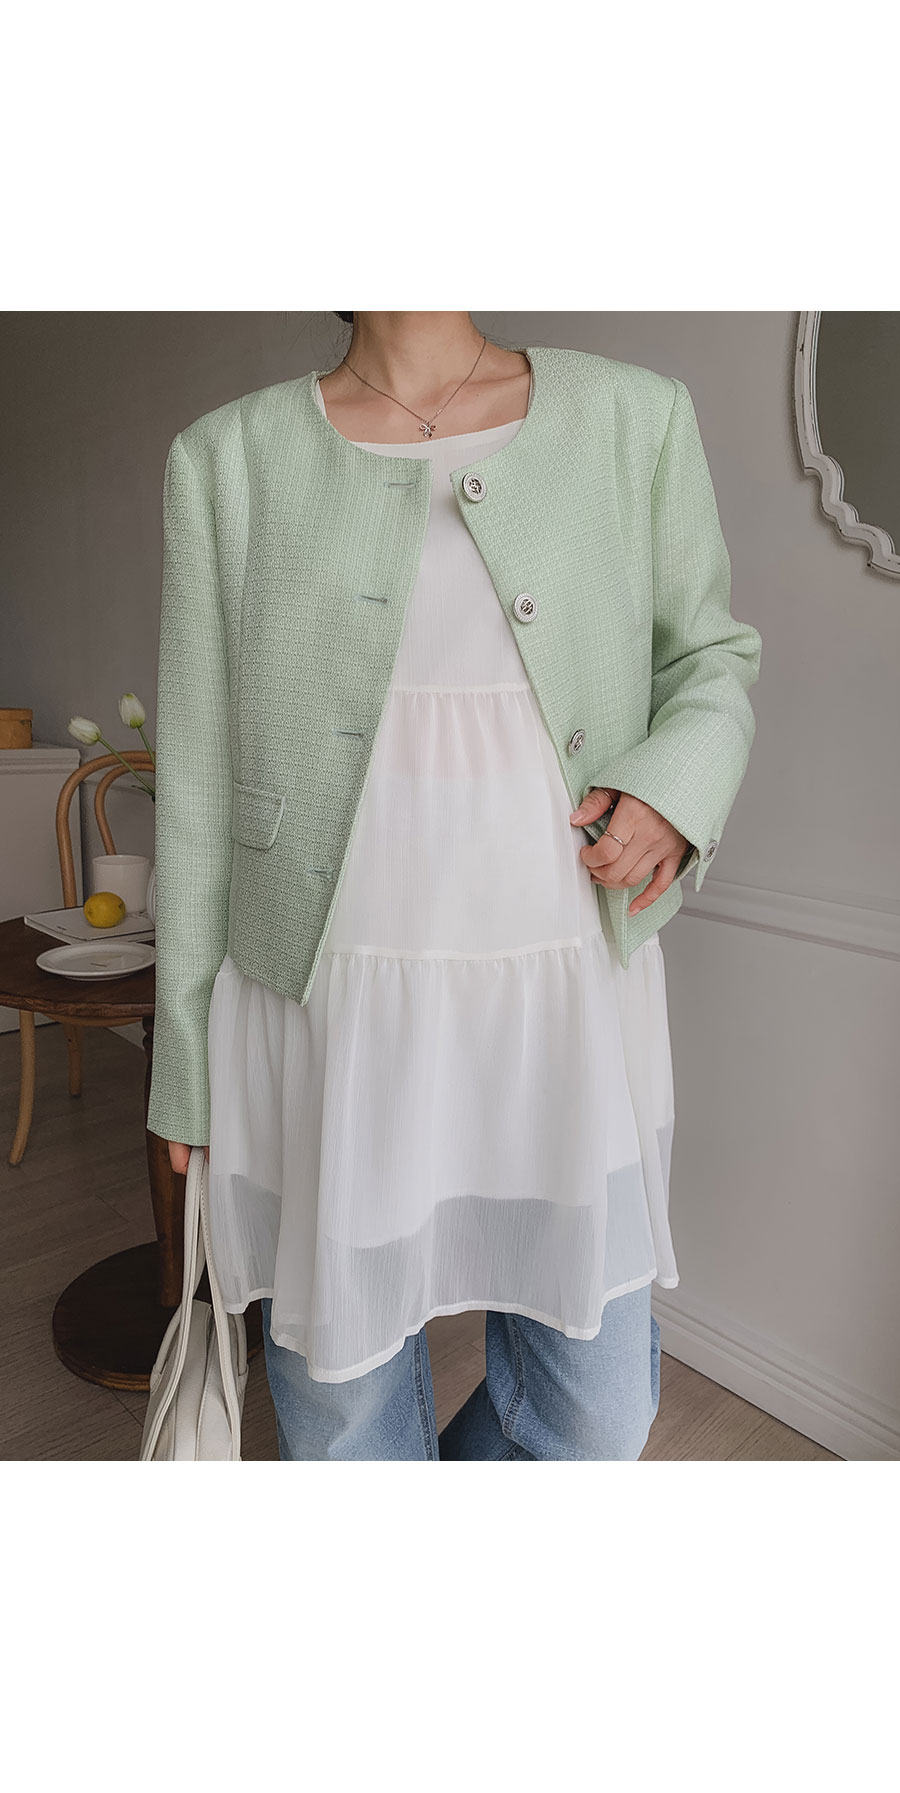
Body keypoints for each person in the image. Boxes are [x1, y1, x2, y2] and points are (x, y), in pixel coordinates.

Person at [147, 312, 762, 1460]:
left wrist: (674, 789)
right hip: (326, 998)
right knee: (345, 1416)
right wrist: (183, 1061)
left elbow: (711, 658)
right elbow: (193, 778)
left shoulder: (633, 417)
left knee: (595, 1410)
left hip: (561, 987)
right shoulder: (225, 459)